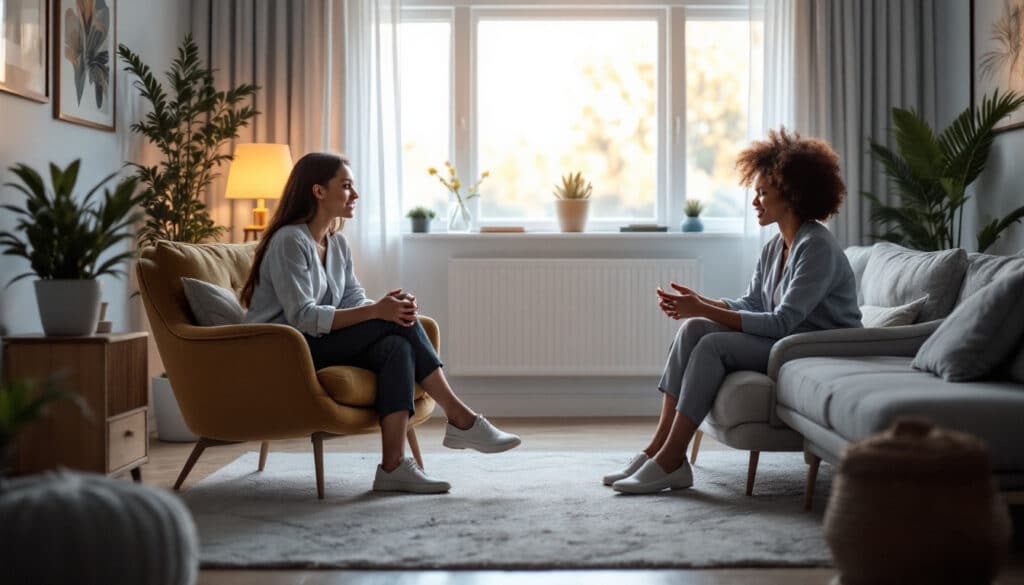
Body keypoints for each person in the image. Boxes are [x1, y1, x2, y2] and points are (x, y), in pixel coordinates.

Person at [241, 152, 521, 494]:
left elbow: (352, 300)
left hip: (319, 342)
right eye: (346, 186)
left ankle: (393, 467)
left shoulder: (337, 243)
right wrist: (379, 314)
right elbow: (302, 317)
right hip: (287, 350)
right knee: (394, 325)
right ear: (318, 191)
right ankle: (461, 418)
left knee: (396, 345)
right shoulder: (289, 241)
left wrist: (385, 306)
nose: (354, 195)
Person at [604, 128, 861, 494]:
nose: (755, 201)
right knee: (693, 329)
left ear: (790, 193)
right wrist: (700, 305)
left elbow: (783, 322)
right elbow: (754, 304)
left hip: (812, 345)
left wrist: (705, 307)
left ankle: (672, 459)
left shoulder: (815, 246)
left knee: (713, 346)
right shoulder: (776, 246)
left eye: (762, 192)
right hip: (787, 340)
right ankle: (656, 450)